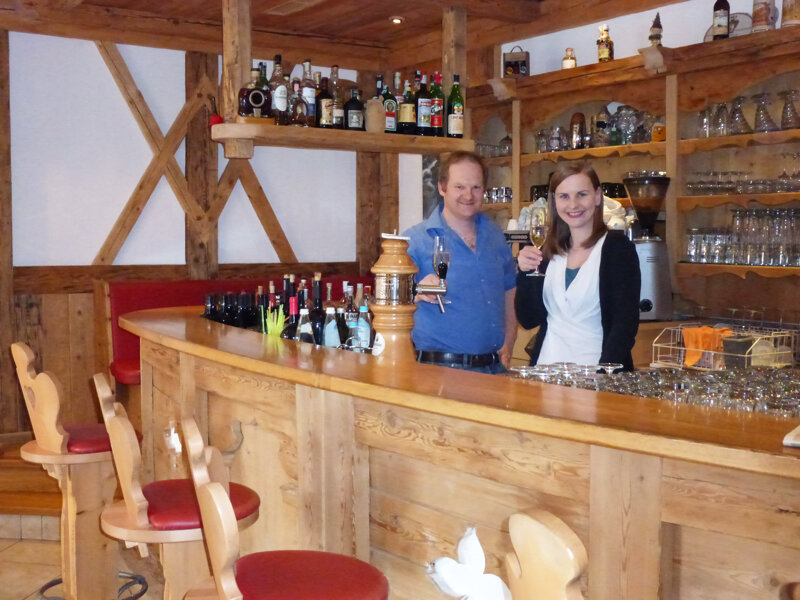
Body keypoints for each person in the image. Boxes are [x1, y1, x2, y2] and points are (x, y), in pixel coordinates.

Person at [515, 161, 640, 371]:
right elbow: (528, 319)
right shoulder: (546, 249)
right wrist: (525, 273)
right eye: (564, 196)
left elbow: (624, 327)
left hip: (597, 376)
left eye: (582, 194)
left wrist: (602, 379)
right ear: (554, 201)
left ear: (598, 196)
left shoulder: (617, 249)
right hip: (546, 375)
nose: (573, 205)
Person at [403, 151, 517, 374]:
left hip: (495, 370)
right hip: (438, 372)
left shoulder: (496, 236)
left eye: (476, 187)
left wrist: (510, 341)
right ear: (442, 188)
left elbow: (509, 291)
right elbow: (390, 304)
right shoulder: (414, 241)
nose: (469, 195)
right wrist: (416, 291)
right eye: (460, 187)